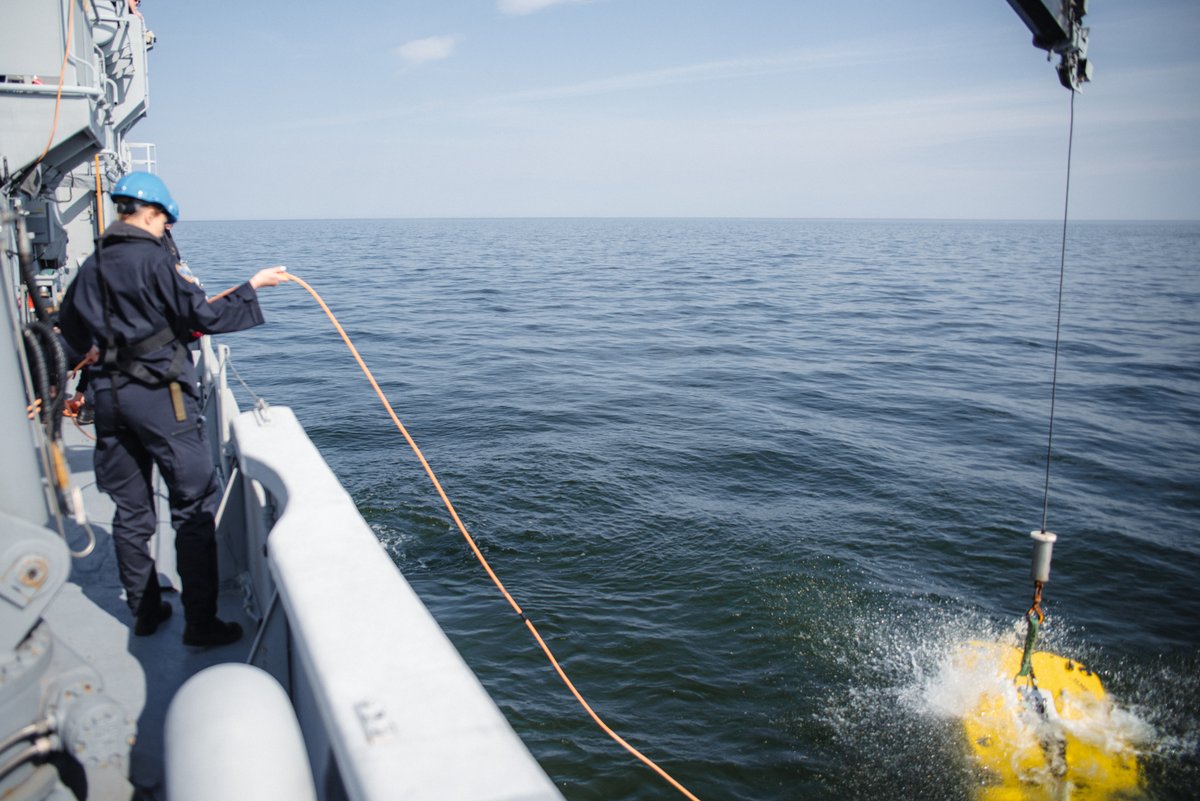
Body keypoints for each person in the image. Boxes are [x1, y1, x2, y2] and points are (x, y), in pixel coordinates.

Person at [57, 172, 288, 647]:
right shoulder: (155, 261)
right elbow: (204, 315)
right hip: (162, 399)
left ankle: (144, 612)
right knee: (193, 505)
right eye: (165, 222)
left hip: (108, 398)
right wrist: (253, 285)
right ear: (152, 214)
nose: (166, 230)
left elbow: (72, 336)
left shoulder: (92, 265)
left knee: (130, 510)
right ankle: (201, 624)